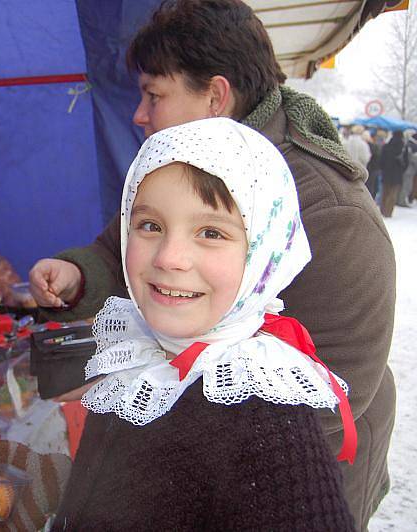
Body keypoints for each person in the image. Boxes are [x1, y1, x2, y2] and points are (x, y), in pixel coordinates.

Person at [29, 0, 395, 528]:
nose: (138, 113)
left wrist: (176, 459)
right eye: (153, 226)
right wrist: (81, 273)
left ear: (215, 96)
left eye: (154, 94)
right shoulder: (177, 171)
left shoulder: (329, 209)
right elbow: (118, 248)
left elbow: (342, 386)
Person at [53, 117, 354, 530]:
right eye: (150, 226)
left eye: (210, 232)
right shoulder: (141, 361)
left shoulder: (267, 423)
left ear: (263, 253)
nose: (168, 257)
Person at [379, 130, 407, 217]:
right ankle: (388, 212)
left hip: (386, 173)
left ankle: (382, 210)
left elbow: (381, 161)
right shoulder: (403, 148)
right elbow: (406, 162)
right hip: (397, 174)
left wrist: (383, 169)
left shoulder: (386, 146)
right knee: (393, 194)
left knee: (385, 192)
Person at [365, 129, 382, 200]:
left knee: (371, 185)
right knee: (371, 186)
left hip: (372, 168)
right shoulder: (374, 146)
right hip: (373, 168)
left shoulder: (372, 145)